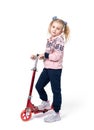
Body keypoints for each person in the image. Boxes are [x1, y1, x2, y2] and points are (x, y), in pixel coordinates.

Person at [31, 16, 70, 122]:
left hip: (55, 70)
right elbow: (49, 54)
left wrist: (46, 55)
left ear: (62, 31)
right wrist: (38, 55)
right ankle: (45, 102)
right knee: (39, 86)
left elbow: (57, 56)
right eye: (53, 27)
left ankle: (56, 113)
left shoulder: (59, 41)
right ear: (50, 27)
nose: (55, 29)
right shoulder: (50, 39)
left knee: (56, 91)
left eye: (58, 28)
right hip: (47, 68)